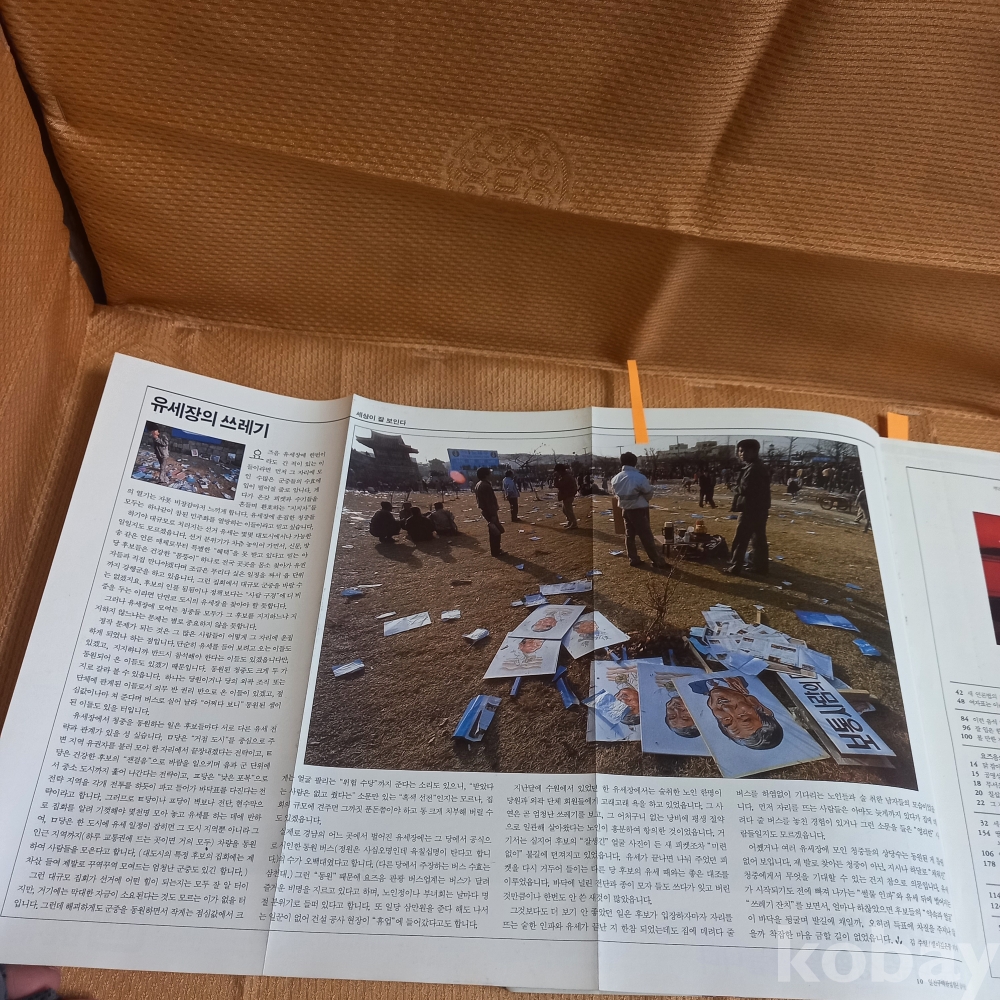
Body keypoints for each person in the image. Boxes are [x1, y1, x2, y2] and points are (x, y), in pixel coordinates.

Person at [688, 675, 783, 749]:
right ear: (754, 703)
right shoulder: (744, 675)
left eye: (726, 720)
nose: (726, 709)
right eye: (743, 716)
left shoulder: (694, 687)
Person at [610, 452, 667, 569]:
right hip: (638, 510)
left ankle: (633, 558)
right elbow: (648, 493)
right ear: (635, 463)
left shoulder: (615, 478)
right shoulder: (639, 477)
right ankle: (657, 560)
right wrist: (643, 499)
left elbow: (615, 494)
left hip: (625, 510)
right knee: (646, 536)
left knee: (629, 535)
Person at [722, 438, 771, 576]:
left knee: (741, 539)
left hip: (750, 509)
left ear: (755, 451)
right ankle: (760, 567)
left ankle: (734, 567)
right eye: (740, 451)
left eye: (745, 451)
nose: (741, 454)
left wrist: (734, 487)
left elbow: (746, 488)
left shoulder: (753, 468)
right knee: (758, 539)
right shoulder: (759, 466)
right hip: (760, 509)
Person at [474, 466, 503, 556]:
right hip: (490, 511)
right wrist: (493, 514)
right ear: (486, 474)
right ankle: (496, 551)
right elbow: (489, 501)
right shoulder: (485, 485)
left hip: (485, 510)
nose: (491, 474)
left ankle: (496, 550)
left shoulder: (479, 484)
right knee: (495, 532)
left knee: (493, 530)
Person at [554, 464, 578, 529]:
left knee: (568, 510)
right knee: (565, 510)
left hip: (568, 495)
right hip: (567, 495)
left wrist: (556, 478)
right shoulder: (566, 476)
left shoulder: (566, 477)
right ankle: (570, 521)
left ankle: (574, 523)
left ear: (560, 470)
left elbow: (558, 485)